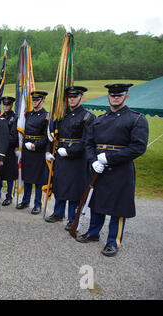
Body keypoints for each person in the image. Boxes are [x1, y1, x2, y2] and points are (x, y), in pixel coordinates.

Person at [76, 83, 149, 257]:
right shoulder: (100, 120)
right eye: (112, 95)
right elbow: (89, 143)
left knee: (119, 208)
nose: (115, 98)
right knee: (97, 204)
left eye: (119, 95)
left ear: (126, 97)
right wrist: (94, 161)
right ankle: (93, 233)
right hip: (99, 169)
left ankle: (113, 241)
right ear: (108, 97)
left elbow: (138, 147)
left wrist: (110, 158)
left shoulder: (136, 119)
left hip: (121, 171)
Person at [44, 86, 96, 230]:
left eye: (75, 96)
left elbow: (88, 142)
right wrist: (49, 151)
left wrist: (70, 151)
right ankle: (58, 213)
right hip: (60, 156)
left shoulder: (88, 117)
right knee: (60, 184)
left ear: (82, 98)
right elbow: (53, 135)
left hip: (76, 159)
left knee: (74, 189)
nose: (72, 99)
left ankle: (73, 218)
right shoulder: (62, 115)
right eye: (70, 97)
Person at [16, 91, 49, 215]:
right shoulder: (28, 114)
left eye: (37, 100)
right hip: (26, 148)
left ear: (43, 101)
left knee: (38, 179)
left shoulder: (46, 116)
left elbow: (47, 137)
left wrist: (36, 145)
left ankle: (37, 204)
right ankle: (25, 201)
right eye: (33, 100)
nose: (35, 102)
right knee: (27, 177)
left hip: (38, 151)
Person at [0, 96, 19, 206]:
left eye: (8, 104)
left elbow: (14, 136)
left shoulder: (15, 118)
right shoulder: (0, 117)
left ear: (11, 105)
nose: (6, 106)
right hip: (1, 150)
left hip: (10, 150)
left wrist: (2, 141)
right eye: (4, 104)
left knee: (10, 175)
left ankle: (9, 196)